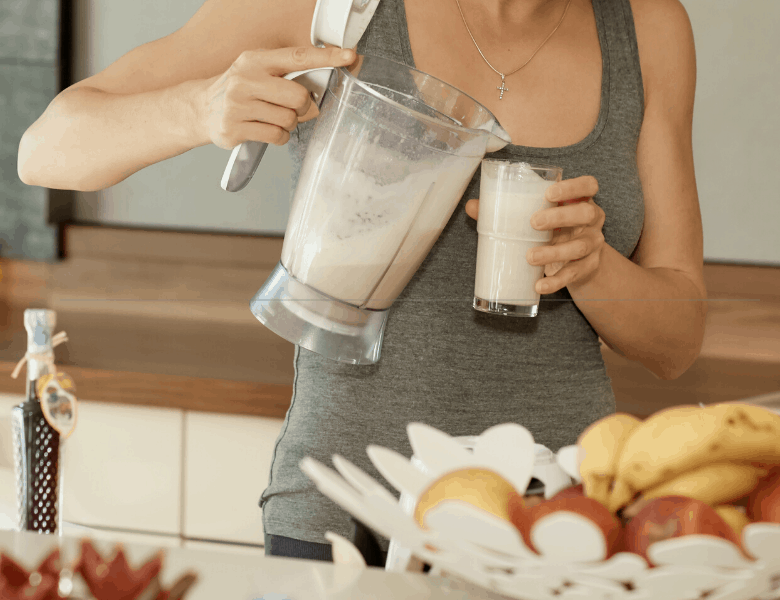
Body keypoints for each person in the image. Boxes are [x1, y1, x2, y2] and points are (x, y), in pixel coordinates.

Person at [18, 0, 707, 565]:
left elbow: (676, 342)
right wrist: (197, 110)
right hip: (344, 518)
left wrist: (591, 265)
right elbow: (45, 151)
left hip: (563, 525)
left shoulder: (648, 29)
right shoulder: (336, 8)